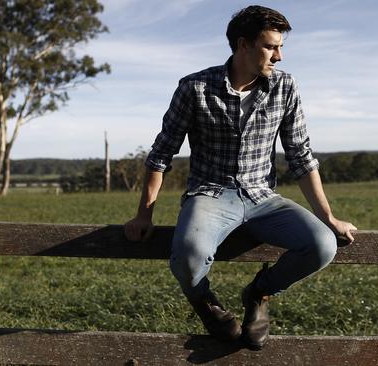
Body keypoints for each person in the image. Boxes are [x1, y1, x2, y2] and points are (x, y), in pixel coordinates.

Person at [124, 5, 357, 350]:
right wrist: (145, 213)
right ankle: (206, 302)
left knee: (322, 245)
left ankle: (260, 292)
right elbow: (161, 154)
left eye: (280, 46)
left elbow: (301, 157)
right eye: (270, 46)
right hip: (210, 194)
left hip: (263, 198)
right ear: (243, 45)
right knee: (188, 254)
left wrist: (329, 218)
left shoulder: (285, 87)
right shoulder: (194, 88)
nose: (279, 55)